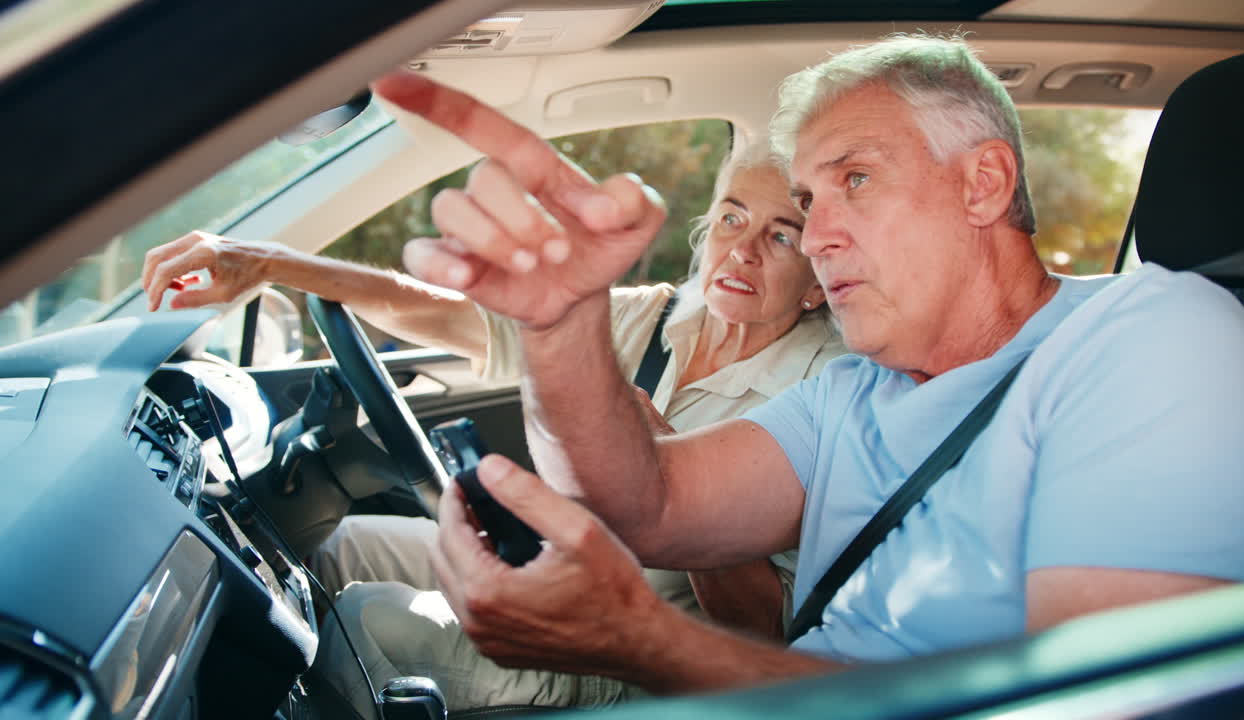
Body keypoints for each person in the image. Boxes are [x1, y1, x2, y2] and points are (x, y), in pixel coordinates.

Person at [367, 31, 1244, 698]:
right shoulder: (853, 389)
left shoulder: (1154, 340)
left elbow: (1090, 704)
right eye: (810, 198)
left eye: (856, 179)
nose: (817, 236)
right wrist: (563, 325)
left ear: (984, 184)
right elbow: (647, 504)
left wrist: (640, 640)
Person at [141, 141, 845, 707]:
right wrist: (272, 264)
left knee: (364, 620)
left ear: (818, 281)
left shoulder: (820, 393)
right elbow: (448, 316)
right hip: (544, 561)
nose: (743, 250)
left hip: (627, 649)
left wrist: (664, 475)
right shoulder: (655, 317)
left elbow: (763, 630)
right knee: (334, 546)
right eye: (731, 218)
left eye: (782, 236)